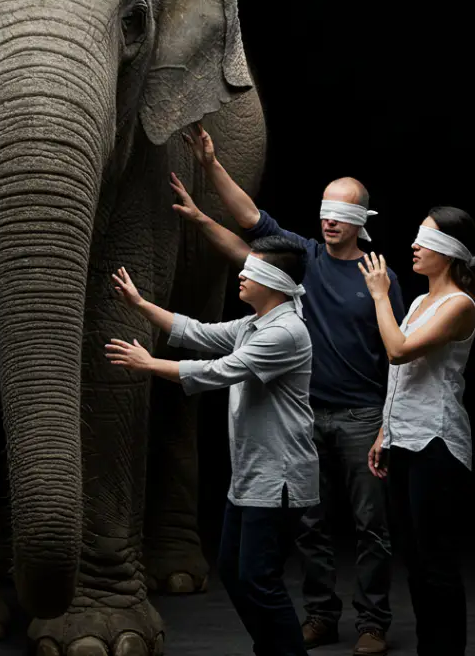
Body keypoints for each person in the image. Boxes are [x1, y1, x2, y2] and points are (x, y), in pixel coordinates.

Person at [175, 123, 403, 654]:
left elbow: (401, 353)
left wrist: (387, 426)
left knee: (372, 525)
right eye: (325, 209)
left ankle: (372, 622)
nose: (328, 220)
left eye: (342, 214)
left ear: (362, 222)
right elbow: (250, 230)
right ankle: (321, 614)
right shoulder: (305, 261)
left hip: (363, 415)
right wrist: (210, 168)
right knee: (309, 525)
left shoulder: (378, 276)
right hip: (304, 417)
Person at [106, 236, 318, 656]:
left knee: (258, 580)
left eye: (251, 271)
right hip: (251, 476)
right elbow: (197, 332)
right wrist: (139, 304)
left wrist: (149, 364)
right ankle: (272, 648)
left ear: (274, 281)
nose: (241, 275)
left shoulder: (286, 332)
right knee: (235, 573)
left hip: (279, 480)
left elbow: (218, 372)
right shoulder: (253, 324)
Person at [360, 208, 475, 656]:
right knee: (413, 561)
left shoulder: (459, 305)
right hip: (404, 440)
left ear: (450, 253)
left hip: (437, 443)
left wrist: (379, 295)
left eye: (425, 239)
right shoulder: (417, 302)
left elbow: (397, 352)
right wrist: (383, 432)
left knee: (436, 562)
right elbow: (405, 380)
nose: (413, 245)